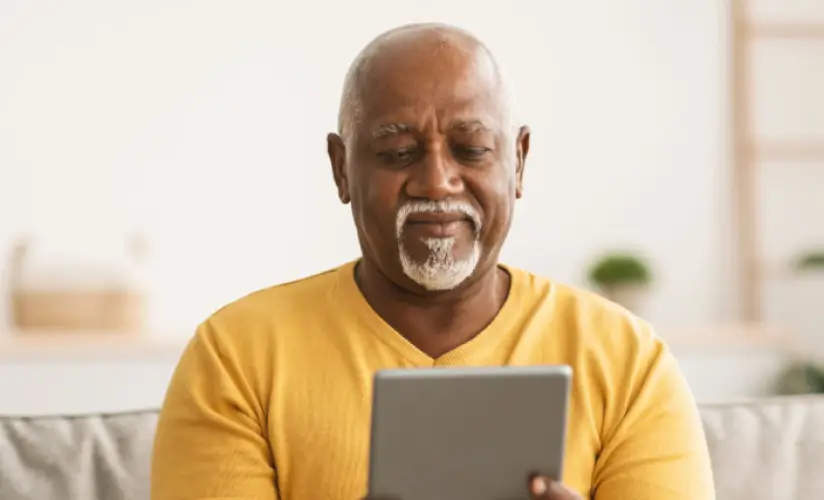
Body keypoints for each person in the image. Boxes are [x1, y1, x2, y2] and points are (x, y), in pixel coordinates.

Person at [150, 22, 715, 500]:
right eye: (398, 153)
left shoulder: (627, 362)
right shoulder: (236, 356)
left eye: (470, 150)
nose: (437, 182)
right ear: (342, 168)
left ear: (517, 162)